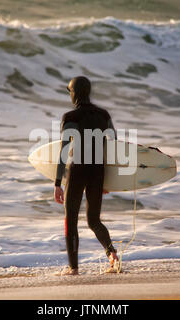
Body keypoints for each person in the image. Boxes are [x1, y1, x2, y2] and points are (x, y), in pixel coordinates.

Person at [54, 76, 119, 276]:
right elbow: (113, 144)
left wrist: (58, 183)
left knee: (71, 220)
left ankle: (73, 268)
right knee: (93, 220)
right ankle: (112, 255)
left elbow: (64, 151)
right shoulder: (103, 115)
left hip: (78, 170)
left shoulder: (70, 117)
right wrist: (108, 180)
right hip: (98, 171)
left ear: (74, 93)